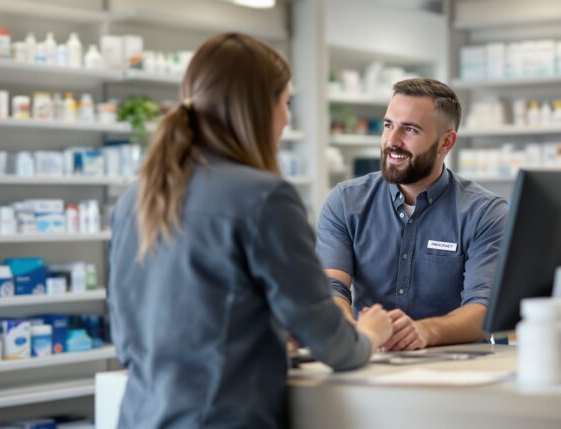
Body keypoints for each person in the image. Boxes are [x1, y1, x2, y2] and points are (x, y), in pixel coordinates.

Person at [107, 33, 392, 429]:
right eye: (286, 102)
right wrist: (370, 334)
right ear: (259, 108)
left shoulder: (136, 196)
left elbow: (129, 340)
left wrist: (263, 334)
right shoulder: (264, 197)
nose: (287, 119)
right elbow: (334, 346)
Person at [317, 78, 508, 352]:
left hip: (455, 363)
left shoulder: (485, 212)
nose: (392, 141)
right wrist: (356, 337)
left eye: (410, 129)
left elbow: (485, 307)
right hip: (372, 357)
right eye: (388, 125)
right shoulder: (346, 202)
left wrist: (424, 331)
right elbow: (331, 288)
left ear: (446, 142)